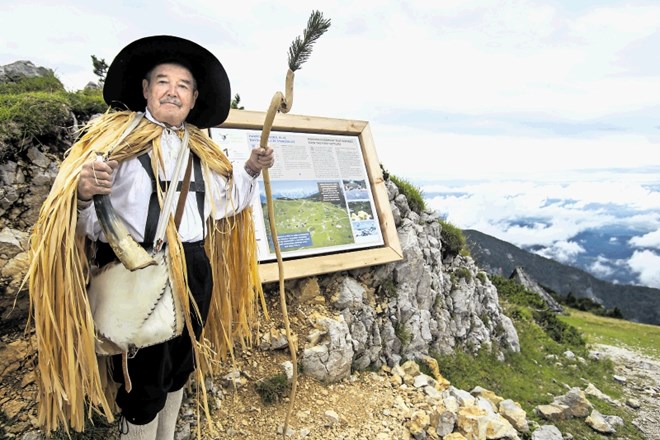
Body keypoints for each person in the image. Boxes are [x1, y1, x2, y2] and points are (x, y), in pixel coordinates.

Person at [27, 35, 273, 439]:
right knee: (141, 380)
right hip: (138, 271)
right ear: (145, 90)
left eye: (183, 85)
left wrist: (249, 169)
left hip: (193, 270)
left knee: (179, 366)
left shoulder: (202, 151)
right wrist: (85, 193)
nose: (172, 92)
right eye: (163, 81)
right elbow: (86, 225)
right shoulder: (113, 144)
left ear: (194, 99)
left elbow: (226, 204)